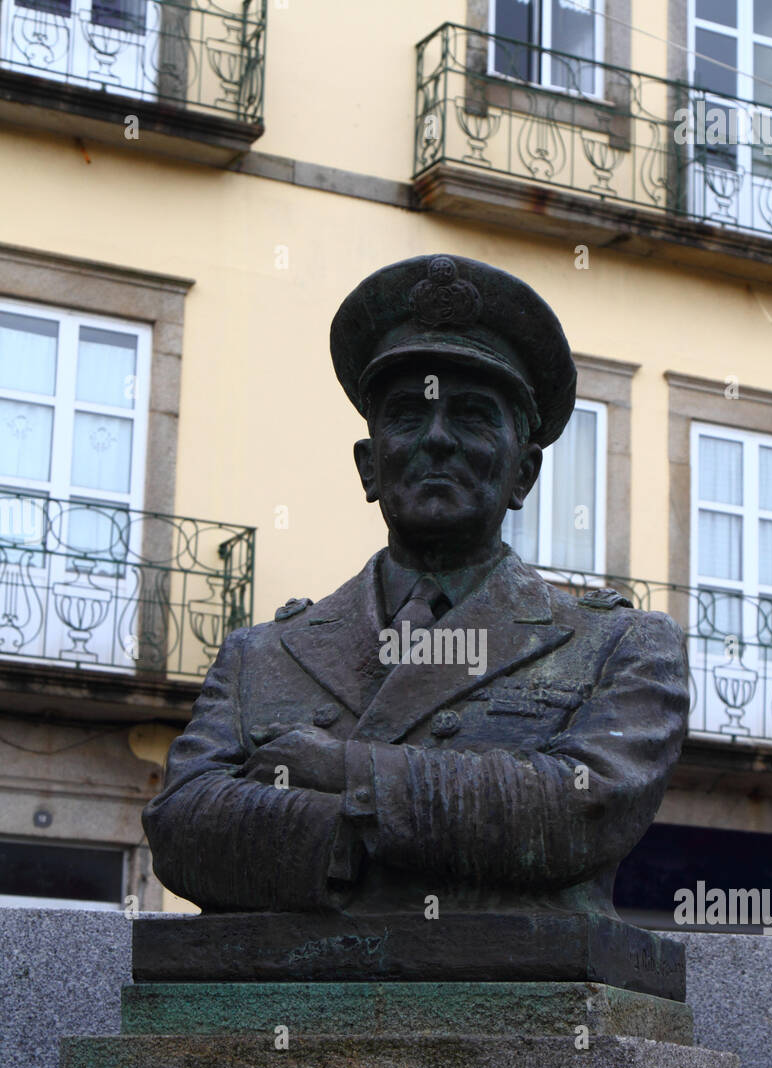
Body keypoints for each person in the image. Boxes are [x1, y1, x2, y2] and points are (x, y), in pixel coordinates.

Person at [143, 254, 689, 918]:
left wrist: (344, 774)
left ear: (524, 474)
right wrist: (369, 842)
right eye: (408, 413)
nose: (437, 438)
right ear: (370, 466)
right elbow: (182, 830)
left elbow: (580, 812)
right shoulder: (259, 656)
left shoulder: (619, 646)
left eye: (473, 416)